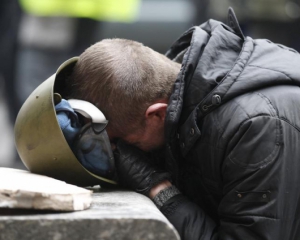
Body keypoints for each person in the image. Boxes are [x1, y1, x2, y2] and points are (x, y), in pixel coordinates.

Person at [15, 8, 300, 239]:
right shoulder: (176, 88)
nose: (119, 154)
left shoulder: (257, 127)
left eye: (124, 143)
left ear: (157, 115)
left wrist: (159, 190)